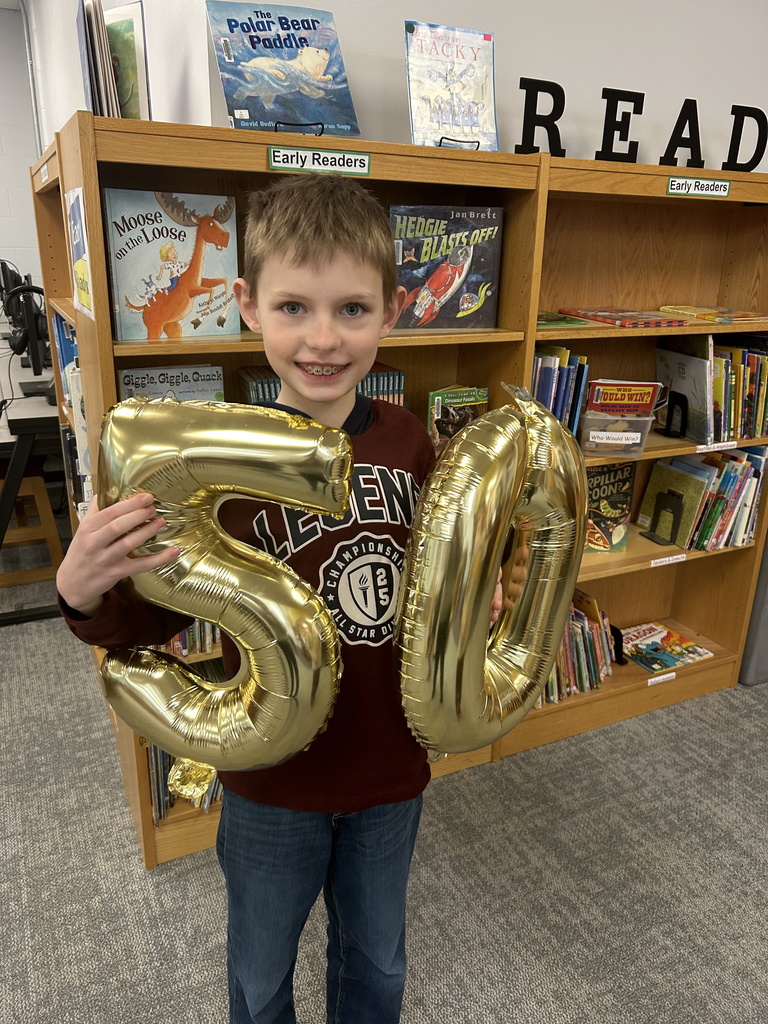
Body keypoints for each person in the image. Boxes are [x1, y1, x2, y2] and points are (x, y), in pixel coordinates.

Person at [59, 173, 515, 1024]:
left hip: (389, 773)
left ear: (392, 311)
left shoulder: (413, 442)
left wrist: (482, 595)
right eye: (294, 307)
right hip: (268, 782)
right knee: (260, 975)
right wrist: (84, 593)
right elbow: (157, 616)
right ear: (246, 305)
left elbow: (447, 579)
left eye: (352, 309)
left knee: (377, 965)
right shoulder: (210, 466)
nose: (323, 339)